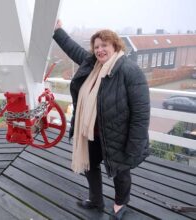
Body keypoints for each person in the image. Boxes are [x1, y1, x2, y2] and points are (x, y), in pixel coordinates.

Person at [53, 20, 150, 220]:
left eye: (104, 45)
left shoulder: (129, 71)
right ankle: (96, 200)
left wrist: (134, 145)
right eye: (96, 47)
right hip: (91, 132)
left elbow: (141, 113)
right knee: (90, 166)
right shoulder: (92, 65)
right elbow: (73, 50)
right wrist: (57, 31)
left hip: (118, 135)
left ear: (114, 45)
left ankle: (120, 204)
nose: (99, 50)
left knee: (120, 172)